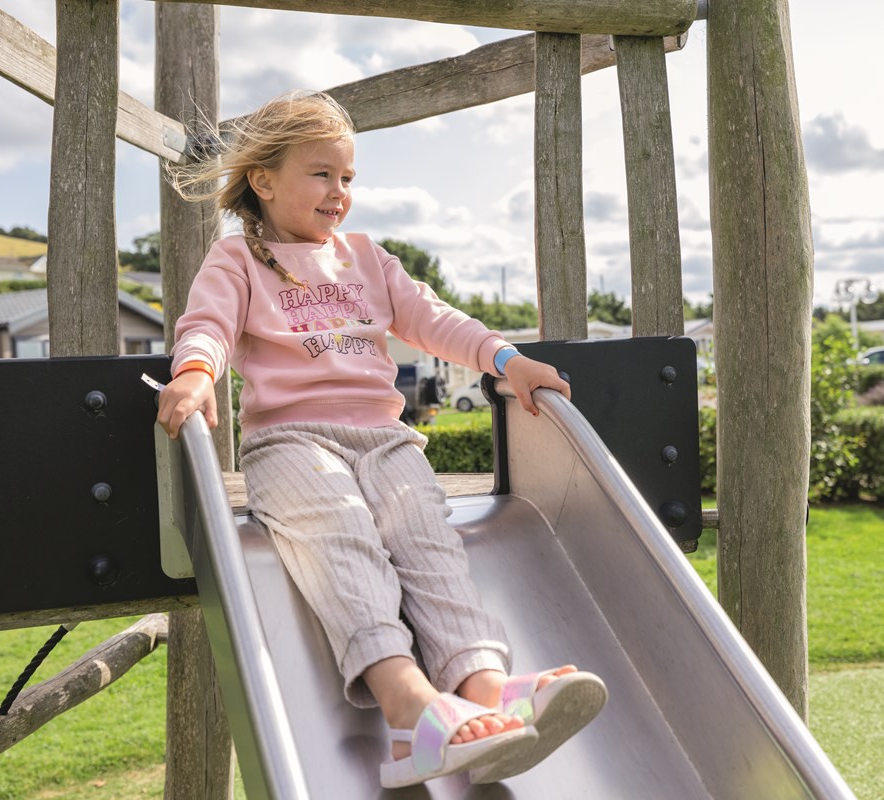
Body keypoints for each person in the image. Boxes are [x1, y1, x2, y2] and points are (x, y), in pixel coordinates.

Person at [157, 90, 606, 788]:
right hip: (292, 442)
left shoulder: (366, 258)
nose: (339, 192)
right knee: (342, 536)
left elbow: (434, 319)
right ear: (264, 179)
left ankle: (484, 686)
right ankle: (411, 710)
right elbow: (208, 326)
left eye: (347, 178)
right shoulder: (236, 263)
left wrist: (507, 362)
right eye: (321, 174)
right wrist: (193, 375)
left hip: (383, 439)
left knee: (427, 540)